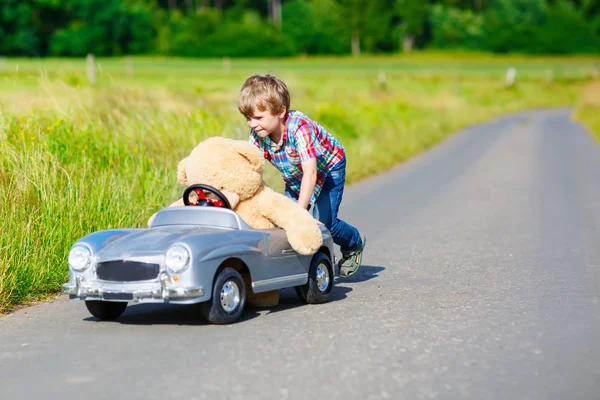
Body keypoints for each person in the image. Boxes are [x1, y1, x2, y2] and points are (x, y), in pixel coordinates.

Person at [237, 73, 366, 277]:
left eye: (258, 117)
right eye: (248, 118)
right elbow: (250, 171)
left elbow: (311, 172)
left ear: (280, 111)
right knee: (282, 220)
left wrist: (300, 213)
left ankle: (354, 243)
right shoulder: (258, 135)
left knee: (323, 224)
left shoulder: (300, 127)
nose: (252, 124)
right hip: (295, 176)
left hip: (328, 170)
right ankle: (294, 265)